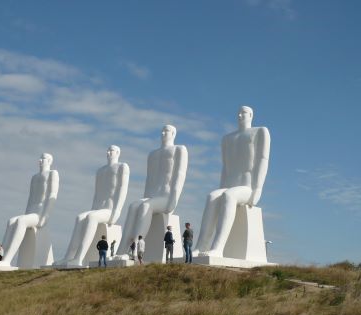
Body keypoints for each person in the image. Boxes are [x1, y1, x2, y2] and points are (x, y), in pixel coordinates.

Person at [195, 106, 270, 257]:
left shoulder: (260, 131)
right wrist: (220, 189)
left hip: (247, 187)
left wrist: (258, 189)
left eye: (244, 112)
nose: (240, 115)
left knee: (229, 196)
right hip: (230, 185)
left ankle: (218, 248)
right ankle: (201, 247)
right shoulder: (227, 138)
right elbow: (225, 167)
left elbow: (263, 160)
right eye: (239, 113)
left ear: (251, 115)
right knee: (212, 196)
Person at [116, 125, 188, 257]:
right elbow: (149, 179)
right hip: (153, 196)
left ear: (173, 133)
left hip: (166, 197)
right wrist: (145, 197)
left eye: (166, 131)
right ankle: (122, 249)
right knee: (133, 206)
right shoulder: (153, 154)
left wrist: (173, 200)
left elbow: (179, 175)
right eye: (162, 130)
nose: (162, 133)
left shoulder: (179, 149)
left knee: (145, 206)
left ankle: (136, 248)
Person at [54, 145, 129, 267]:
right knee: (80, 217)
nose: (109, 152)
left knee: (91, 217)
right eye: (108, 150)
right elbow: (97, 194)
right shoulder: (100, 171)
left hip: (110, 210)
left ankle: (79, 258)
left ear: (118, 153)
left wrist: (116, 211)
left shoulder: (122, 167)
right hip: (98, 209)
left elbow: (122, 190)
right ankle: (68, 257)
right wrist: (92, 209)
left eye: (112, 150)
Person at [0, 153, 59, 267]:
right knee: (11, 221)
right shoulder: (34, 177)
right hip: (31, 211)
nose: (40, 160)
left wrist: (45, 217)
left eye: (43, 158)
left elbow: (52, 195)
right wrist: (25, 214)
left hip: (39, 213)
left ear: (49, 161)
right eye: (40, 158)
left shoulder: (52, 174)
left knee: (21, 221)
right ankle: (1, 257)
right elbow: (31, 197)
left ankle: (7, 260)